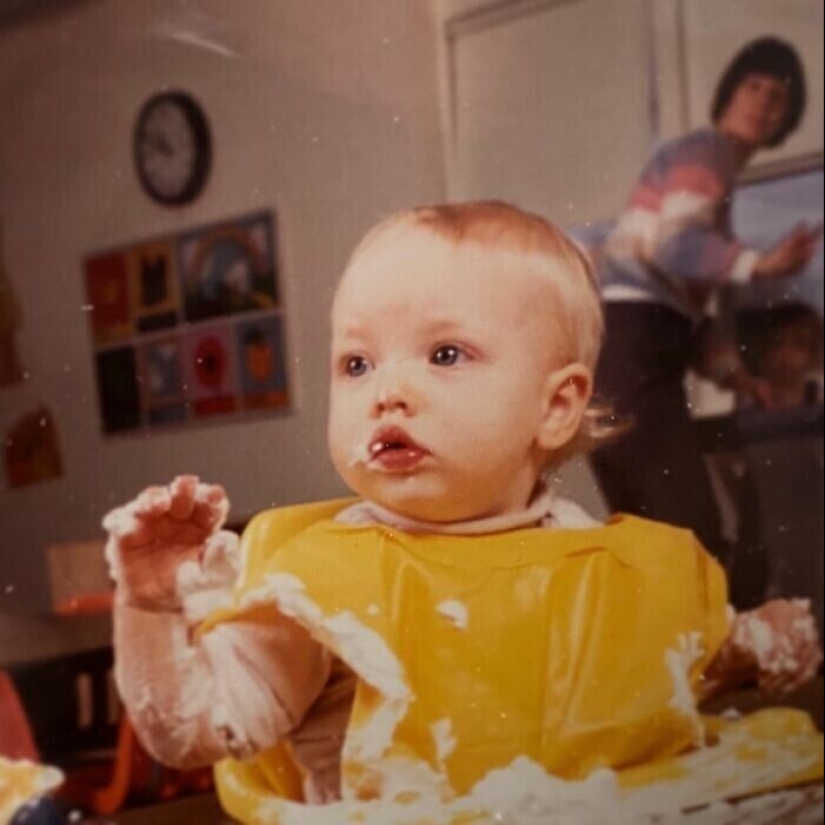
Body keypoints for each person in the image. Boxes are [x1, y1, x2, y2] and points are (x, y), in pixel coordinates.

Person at [103, 202, 823, 823]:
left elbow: (662, 662)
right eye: (357, 363)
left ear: (555, 406)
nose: (386, 391)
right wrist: (150, 604)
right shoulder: (319, 583)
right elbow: (193, 728)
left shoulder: (616, 565)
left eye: (445, 354)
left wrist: (749, 644)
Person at [590, 37, 820, 567]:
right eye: (753, 87)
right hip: (632, 346)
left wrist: (739, 379)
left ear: (785, 120)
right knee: (687, 536)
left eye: (778, 97)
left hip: (630, 347)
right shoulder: (706, 150)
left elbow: (686, 315)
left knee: (659, 539)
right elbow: (674, 246)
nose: (763, 103)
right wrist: (760, 264)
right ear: (729, 93)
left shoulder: (717, 179)